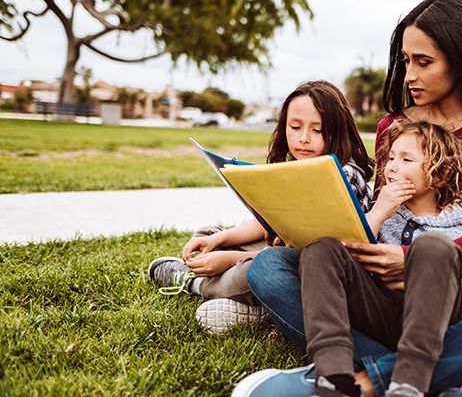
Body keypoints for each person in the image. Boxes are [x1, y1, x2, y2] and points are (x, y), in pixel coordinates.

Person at [237, 0, 462, 397]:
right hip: (379, 279)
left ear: (461, 58)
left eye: (424, 62)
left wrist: (412, 261)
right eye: (405, 61)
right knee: (269, 267)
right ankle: (446, 379)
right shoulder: (393, 127)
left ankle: (368, 381)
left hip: (461, 278)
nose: (409, 76)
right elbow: (376, 217)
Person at [290, 120, 462, 397]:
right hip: (381, 315)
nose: (391, 166)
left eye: (406, 159)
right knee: (321, 247)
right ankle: (334, 377)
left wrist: (417, 281)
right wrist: (378, 213)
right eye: (391, 157)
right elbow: (345, 256)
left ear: (440, 174)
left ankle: (409, 384)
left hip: (438, 325)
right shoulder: (385, 214)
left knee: (433, 247)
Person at [147, 80, 374, 334]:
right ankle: (256, 305)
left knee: (252, 269)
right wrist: (219, 240)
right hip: (280, 251)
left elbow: (306, 253)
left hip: (314, 270)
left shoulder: (344, 174)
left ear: (336, 130)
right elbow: (268, 222)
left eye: (317, 130)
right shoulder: (296, 165)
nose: (303, 139)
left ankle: (195, 284)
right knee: (208, 235)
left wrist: (232, 259)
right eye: (295, 127)